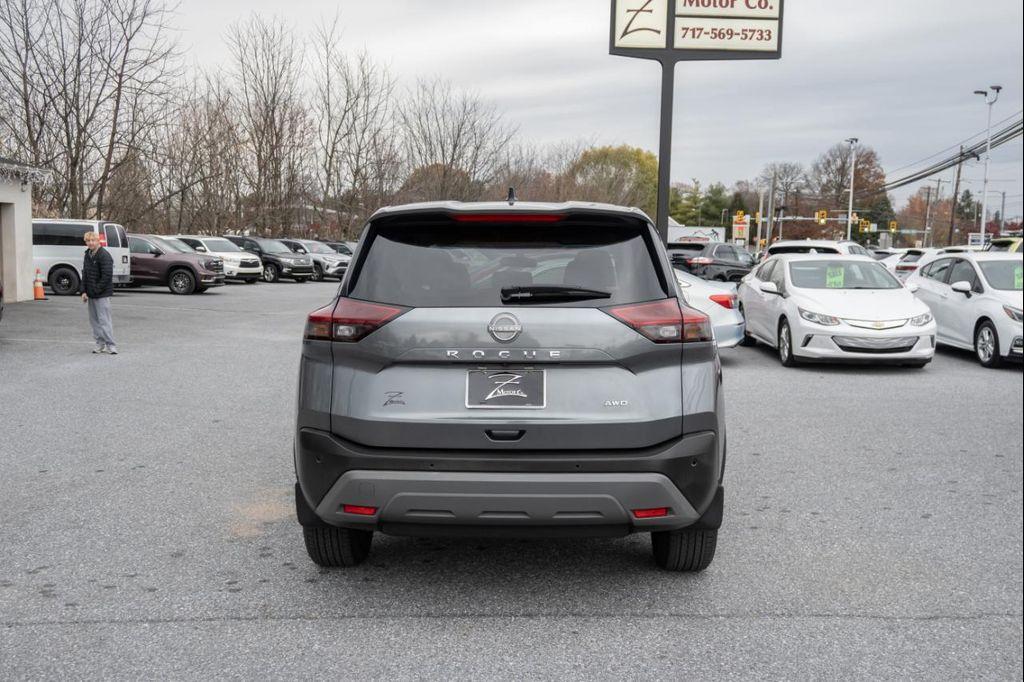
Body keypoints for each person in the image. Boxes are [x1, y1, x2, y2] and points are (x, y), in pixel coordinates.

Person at [80, 231, 118, 354]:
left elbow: (107, 276)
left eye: (93, 240)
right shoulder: (87, 255)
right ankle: (99, 344)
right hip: (90, 294)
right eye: (88, 241)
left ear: (98, 241)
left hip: (102, 294)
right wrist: (83, 291)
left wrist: (96, 290)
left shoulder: (104, 255)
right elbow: (85, 273)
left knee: (104, 320)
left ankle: (111, 345)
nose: (90, 243)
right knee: (94, 321)